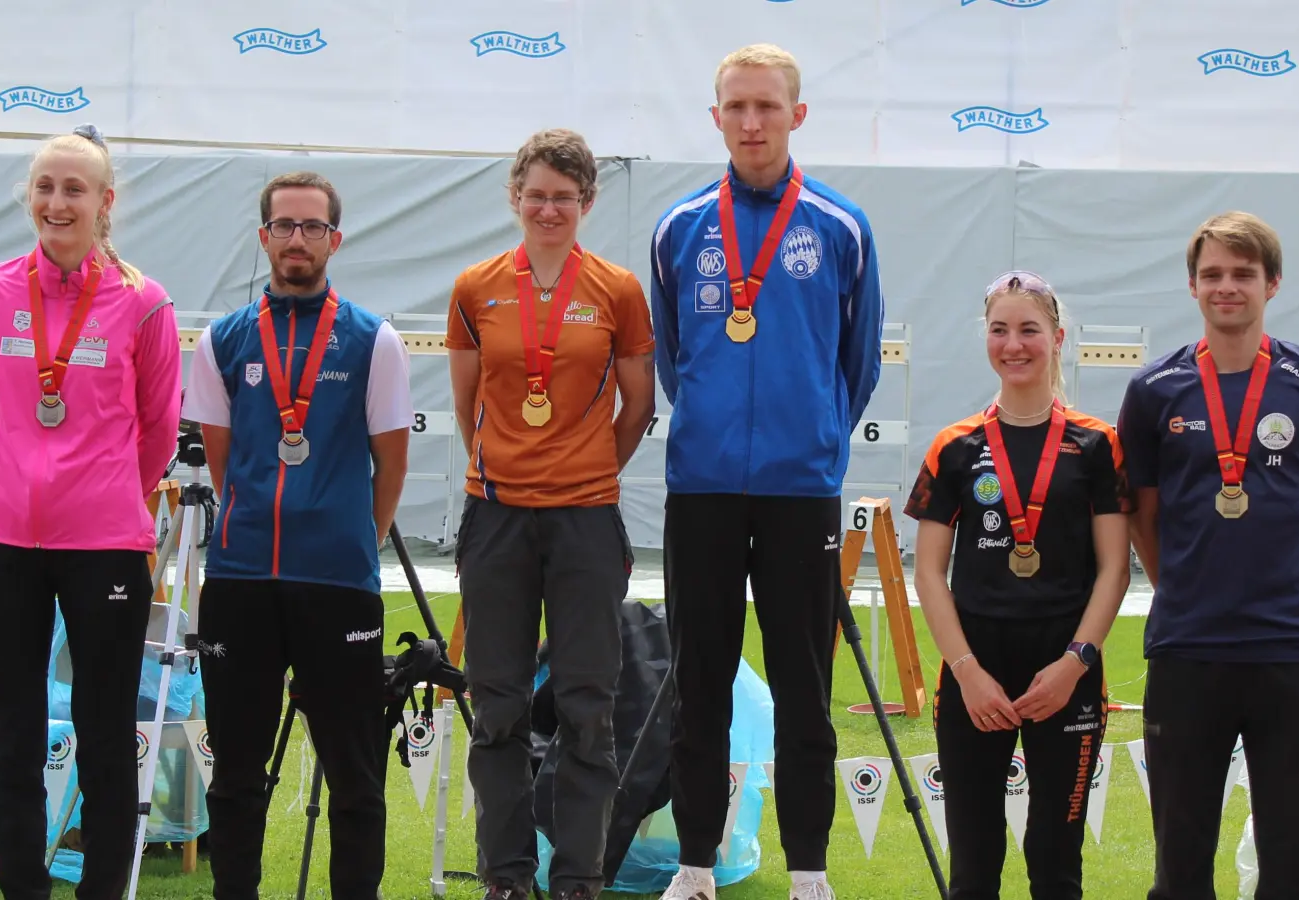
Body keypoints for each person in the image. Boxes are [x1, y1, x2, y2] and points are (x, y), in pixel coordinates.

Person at [649, 43, 885, 900]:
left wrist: (812, 430)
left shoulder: (840, 226)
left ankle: (810, 873)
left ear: (797, 115)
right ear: (716, 118)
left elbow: (856, 364)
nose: (753, 123)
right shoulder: (679, 227)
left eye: (768, 108)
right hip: (704, 488)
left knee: (804, 690)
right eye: (737, 108)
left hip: (799, 491)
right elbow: (676, 361)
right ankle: (696, 865)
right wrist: (711, 424)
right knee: (700, 684)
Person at [0, 122, 182, 900]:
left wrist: (106, 493)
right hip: (0, 539)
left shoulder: (145, 304)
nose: (57, 201)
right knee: (12, 730)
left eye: (74, 188)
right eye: (45, 185)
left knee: (108, 732)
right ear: (29, 195)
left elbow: (156, 431)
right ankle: (24, 887)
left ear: (104, 201)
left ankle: (100, 893)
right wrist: (16, 478)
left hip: (105, 544)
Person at [181, 170, 413, 900]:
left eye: (313, 227)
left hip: (338, 584)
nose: (297, 239)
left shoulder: (374, 340)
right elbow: (224, 463)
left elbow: (391, 466)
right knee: (238, 772)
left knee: (353, 776)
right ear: (264, 237)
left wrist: (349, 541)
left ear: (334, 240)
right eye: (284, 225)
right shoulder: (222, 340)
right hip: (241, 581)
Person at [1116, 211, 1299, 899]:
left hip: (1291, 651)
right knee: (1182, 866)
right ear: (1192, 287)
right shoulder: (1153, 391)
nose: (1228, 287)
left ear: (1272, 284)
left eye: (1243, 274)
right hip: (1189, 650)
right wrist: (1189, 589)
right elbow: (1145, 519)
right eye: (1213, 274)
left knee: (1290, 870)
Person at [444, 128, 656, 900]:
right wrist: (505, 468)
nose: (548, 209)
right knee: (496, 704)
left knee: (587, 708)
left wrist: (588, 470)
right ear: (514, 198)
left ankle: (577, 879)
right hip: (497, 516)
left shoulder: (617, 290)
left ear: (587, 203)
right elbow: (467, 404)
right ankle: (506, 876)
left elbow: (640, 406)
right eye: (535, 194)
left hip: (585, 519)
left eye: (564, 197)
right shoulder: (474, 286)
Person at [905, 272, 1132, 900]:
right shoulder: (954, 446)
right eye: (1000, 330)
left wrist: (1074, 665)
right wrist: (967, 671)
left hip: (1067, 669)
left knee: (1056, 864)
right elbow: (928, 571)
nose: (1014, 344)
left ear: (1057, 338)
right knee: (974, 866)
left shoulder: (1097, 444)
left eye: (1029, 329)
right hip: (975, 671)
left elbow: (1117, 567)